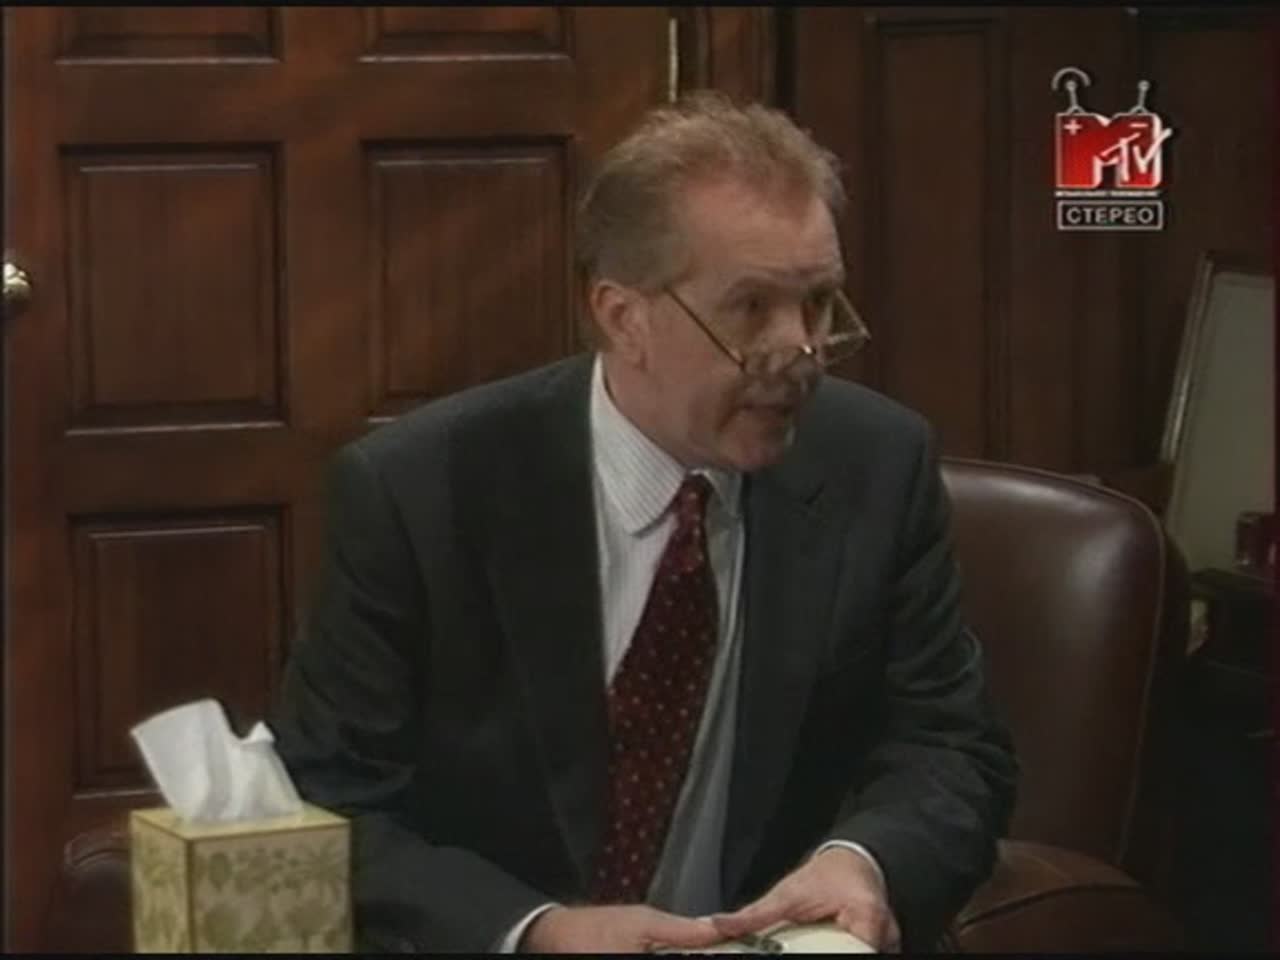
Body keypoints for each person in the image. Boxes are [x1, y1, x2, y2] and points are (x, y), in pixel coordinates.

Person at [271, 91, 1017, 954]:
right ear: (624, 317)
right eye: (751, 308)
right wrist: (537, 932)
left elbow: (951, 748)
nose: (801, 352)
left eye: (818, 304)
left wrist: (864, 862)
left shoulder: (876, 466)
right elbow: (325, 800)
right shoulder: (420, 491)